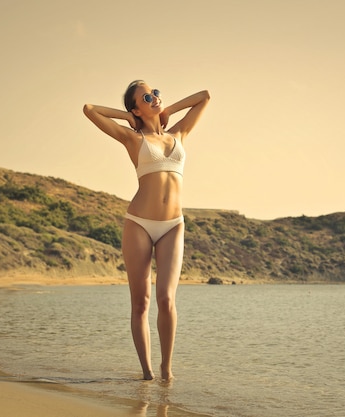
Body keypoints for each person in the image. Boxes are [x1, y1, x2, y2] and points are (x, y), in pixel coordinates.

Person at [83, 81, 210, 380]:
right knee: (141, 303)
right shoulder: (131, 138)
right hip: (139, 223)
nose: (155, 98)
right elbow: (89, 110)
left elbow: (204, 97)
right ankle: (147, 374)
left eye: (156, 93)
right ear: (136, 108)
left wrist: (167, 110)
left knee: (166, 299)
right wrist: (128, 118)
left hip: (172, 226)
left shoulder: (178, 134)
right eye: (147, 97)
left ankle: (167, 371)